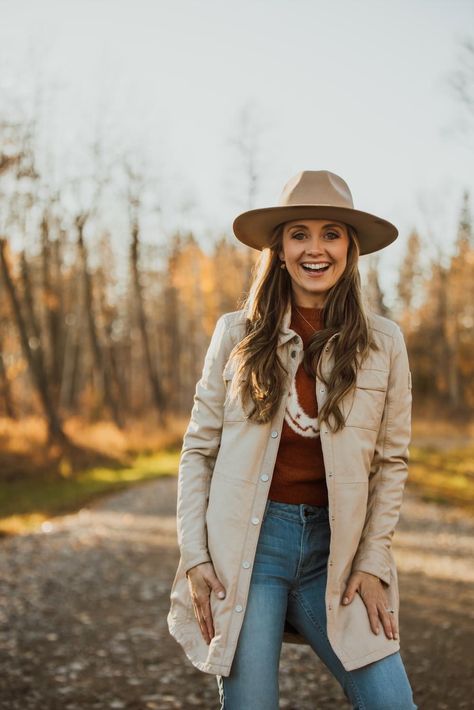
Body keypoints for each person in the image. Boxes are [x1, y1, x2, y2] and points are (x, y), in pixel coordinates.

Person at [167, 170, 417, 709]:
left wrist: (373, 561)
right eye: (299, 233)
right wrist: (195, 556)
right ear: (279, 249)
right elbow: (198, 450)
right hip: (249, 549)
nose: (315, 248)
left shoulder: (384, 343)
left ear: (350, 249)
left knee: (392, 703)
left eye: (331, 233)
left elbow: (391, 462)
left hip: (339, 551)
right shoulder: (236, 334)